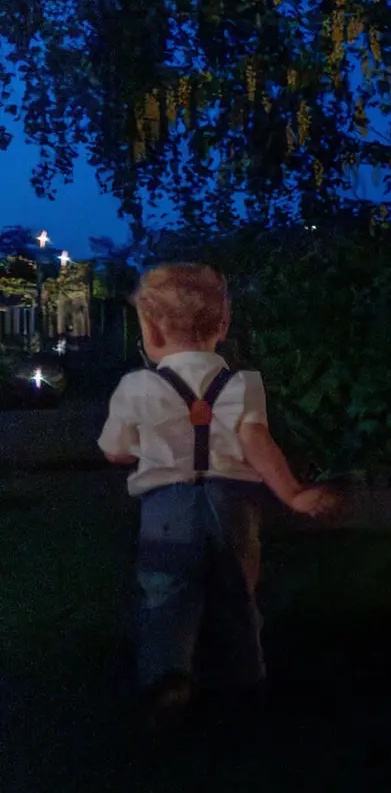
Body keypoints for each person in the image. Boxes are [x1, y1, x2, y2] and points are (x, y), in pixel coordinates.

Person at [97, 263, 336, 725]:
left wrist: (142, 446)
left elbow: (115, 450)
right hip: (234, 508)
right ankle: (246, 682)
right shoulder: (243, 385)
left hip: (166, 509)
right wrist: (292, 494)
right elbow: (257, 442)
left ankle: (168, 678)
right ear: (223, 325)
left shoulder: (137, 387)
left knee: (166, 592)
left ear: (149, 326)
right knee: (236, 594)